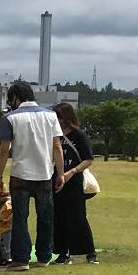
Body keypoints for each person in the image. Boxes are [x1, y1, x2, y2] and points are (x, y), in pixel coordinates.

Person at [0, 81, 64, 269]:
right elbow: (57, 146)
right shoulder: (51, 116)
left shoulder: (10, 118)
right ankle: (44, 256)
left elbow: (4, 149)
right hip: (45, 174)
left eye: (11, 100)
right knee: (45, 216)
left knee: (20, 218)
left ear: (16, 97)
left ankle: (21, 259)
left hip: (20, 174)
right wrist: (61, 173)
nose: (11, 104)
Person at [50, 103, 100, 265]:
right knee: (58, 217)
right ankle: (62, 252)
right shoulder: (53, 134)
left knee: (78, 217)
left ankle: (89, 252)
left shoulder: (79, 135)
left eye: (59, 117)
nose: (57, 120)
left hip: (74, 182)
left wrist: (72, 171)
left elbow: (88, 159)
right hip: (56, 181)